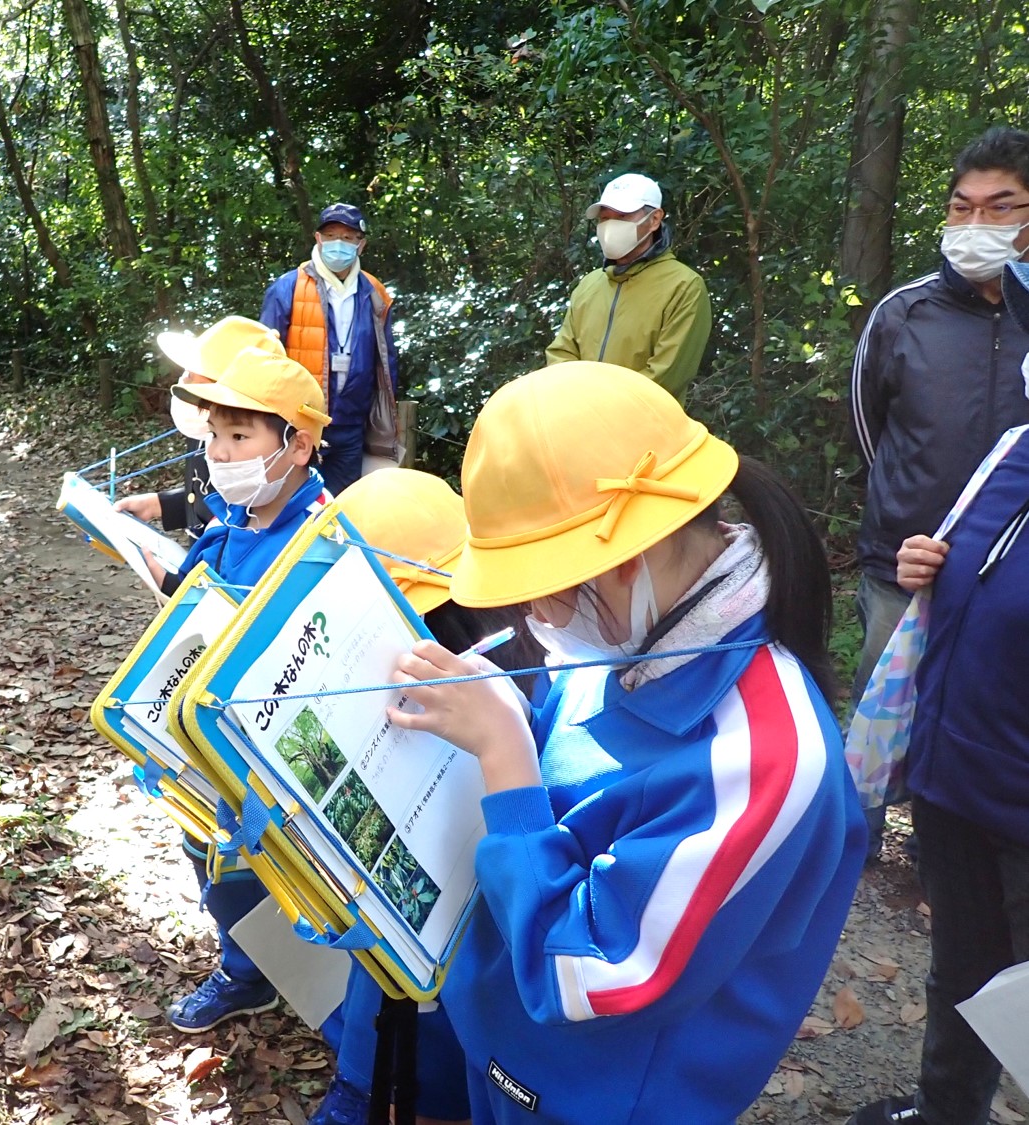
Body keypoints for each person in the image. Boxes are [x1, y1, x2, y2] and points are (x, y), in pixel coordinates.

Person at [385, 361, 866, 1123]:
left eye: (545, 581)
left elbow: (595, 977)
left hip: (597, 1091)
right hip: (506, 1032)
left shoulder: (766, 751)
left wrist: (506, 754)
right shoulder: (627, 641)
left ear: (622, 560)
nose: (538, 614)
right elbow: (563, 779)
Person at [843, 260, 1029, 1125]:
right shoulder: (1012, 451)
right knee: (962, 972)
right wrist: (932, 567)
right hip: (954, 781)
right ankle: (943, 1110)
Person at [309, 467, 543, 1125]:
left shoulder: (515, 708)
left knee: (429, 1080)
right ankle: (358, 1086)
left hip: (459, 993)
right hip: (388, 970)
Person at [848, 126, 1029, 861]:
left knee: (977, 722)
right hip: (900, 563)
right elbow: (868, 422)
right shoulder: (904, 313)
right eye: (962, 207)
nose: (977, 224)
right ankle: (847, 849)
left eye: (1001, 206)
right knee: (878, 708)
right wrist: (910, 514)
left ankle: (945, 861)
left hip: (1002, 584)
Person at [144, 346, 335, 1031]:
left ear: (299, 445)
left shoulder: (322, 534)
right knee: (210, 851)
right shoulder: (232, 521)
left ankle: (321, 994)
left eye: (241, 436)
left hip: (277, 750)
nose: (220, 454)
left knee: (273, 863)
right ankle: (246, 969)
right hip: (207, 740)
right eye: (215, 436)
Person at [260, 202, 399, 494]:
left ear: (361, 245)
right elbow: (265, 357)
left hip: (351, 424)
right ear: (318, 239)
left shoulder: (374, 292)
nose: (340, 244)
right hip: (298, 424)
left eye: (349, 238)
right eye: (332, 235)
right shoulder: (288, 287)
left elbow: (387, 360)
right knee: (294, 504)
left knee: (343, 506)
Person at [113, 317, 286, 539]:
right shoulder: (205, 427)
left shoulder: (248, 446)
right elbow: (207, 492)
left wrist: (175, 576)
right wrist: (159, 505)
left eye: (193, 373)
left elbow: (242, 506)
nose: (183, 380)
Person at [545, 173, 712, 403]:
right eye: (604, 218)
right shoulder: (589, 285)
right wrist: (577, 404)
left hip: (647, 431)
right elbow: (561, 354)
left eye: (622, 216)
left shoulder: (684, 286)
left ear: (654, 219)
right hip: (581, 425)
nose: (610, 225)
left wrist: (602, 408)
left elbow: (666, 375)